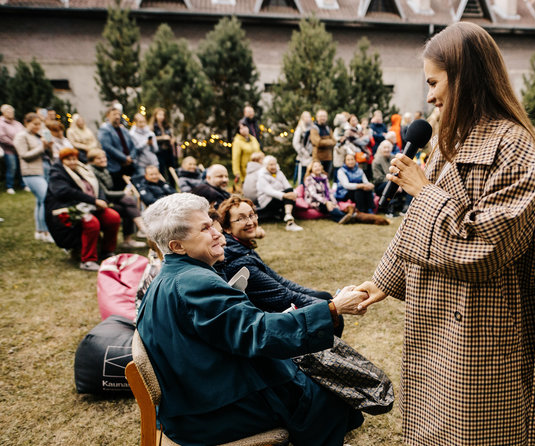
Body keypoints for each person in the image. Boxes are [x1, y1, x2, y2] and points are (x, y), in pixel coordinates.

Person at [355, 23, 535, 445]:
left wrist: (424, 190)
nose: (429, 96)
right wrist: (384, 280)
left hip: (483, 319)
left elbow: (487, 247)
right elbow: (417, 224)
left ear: (466, 76)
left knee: (477, 430)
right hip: (434, 314)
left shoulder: (515, 144)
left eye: (433, 82)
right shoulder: (449, 139)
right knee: (434, 425)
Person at [136, 193, 365, 445]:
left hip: (194, 399)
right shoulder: (195, 282)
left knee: (314, 381)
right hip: (209, 414)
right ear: (177, 246)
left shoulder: (171, 277)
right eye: (204, 228)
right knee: (328, 394)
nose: (216, 232)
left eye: (212, 224)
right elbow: (258, 333)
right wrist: (332, 309)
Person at [215, 195, 345, 331]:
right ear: (228, 228)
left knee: (324, 296)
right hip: (268, 317)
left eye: (252, 215)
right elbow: (282, 295)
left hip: (274, 305)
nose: (250, 222)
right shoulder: (239, 262)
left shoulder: (242, 247)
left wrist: (321, 297)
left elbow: (282, 282)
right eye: (241, 218)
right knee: (331, 314)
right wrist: (329, 307)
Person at [45, 147, 121, 271]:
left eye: (74, 159)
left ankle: (107, 252)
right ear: (62, 160)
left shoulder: (82, 169)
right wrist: (93, 201)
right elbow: (64, 192)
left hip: (90, 206)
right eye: (68, 160)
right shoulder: (57, 173)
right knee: (91, 223)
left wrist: (101, 200)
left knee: (113, 217)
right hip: (67, 209)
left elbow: (97, 187)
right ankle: (88, 260)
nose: (72, 162)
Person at [87, 148, 147, 249]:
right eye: (99, 158)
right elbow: (105, 193)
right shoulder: (92, 172)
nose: (103, 160)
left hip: (109, 200)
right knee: (127, 204)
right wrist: (123, 193)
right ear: (92, 161)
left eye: (104, 157)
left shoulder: (103, 169)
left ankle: (137, 232)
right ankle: (141, 229)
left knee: (128, 201)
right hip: (100, 203)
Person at [14, 113, 52, 243]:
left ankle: (40, 231)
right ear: (26, 123)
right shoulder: (21, 136)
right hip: (32, 173)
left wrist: (48, 146)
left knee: (40, 202)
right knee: (46, 199)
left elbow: (48, 154)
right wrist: (42, 147)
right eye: (34, 124)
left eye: (39, 124)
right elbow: (24, 155)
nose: (37, 126)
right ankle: (47, 231)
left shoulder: (39, 135)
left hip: (46, 170)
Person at [256, 155, 303, 231]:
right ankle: (289, 219)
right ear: (266, 166)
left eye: (274, 164)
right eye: (271, 165)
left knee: (290, 191)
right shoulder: (262, 175)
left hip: (279, 197)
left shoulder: (279, 172)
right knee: (289, 196)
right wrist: (285, 195)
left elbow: (287, 185)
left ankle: (288, 217)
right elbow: (269, 191)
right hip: (267, 200)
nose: (273, 166)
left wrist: (294, 193)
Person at [98, 107, 137, 190]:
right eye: (114, 114)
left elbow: (132, 145)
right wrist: (124, 158)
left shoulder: (123, 130)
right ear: (108, 116)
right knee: (123, 190)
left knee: (134, 188)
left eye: (119, 114)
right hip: (116, 167)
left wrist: (131, 157)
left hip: (129, 165)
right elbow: (108, 147)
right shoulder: (104, 129)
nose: (117, 116)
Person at [0, 104, 28, 194]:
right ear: (3, 112)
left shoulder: (17, 123)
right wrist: (15, 144)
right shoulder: (1, 123)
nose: (11, 113)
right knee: (12, 168)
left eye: (12, 111)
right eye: (8, 111)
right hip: (9, 150)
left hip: (20, 150)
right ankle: (9, 186)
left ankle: (24, 185)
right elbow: (2, 137)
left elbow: (25, 133)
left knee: (22, 167)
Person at [149, 107, 176, 182]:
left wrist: (172, 139)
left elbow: (172, 136)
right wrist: (162, 137)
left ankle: (173, 186)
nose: (162, 117)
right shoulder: (152, 127)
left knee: (171, 169)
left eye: (163, 115)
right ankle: (164, 185)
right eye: (160, 114)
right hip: (159, 151)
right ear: (155, 115)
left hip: (169, 150)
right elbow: (152, 139)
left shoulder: (166, 126)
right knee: (162, 170)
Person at [231, 121, 261, 188]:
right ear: (239, 131)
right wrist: (237, 172)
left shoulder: (253, 139)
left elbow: (259, 152)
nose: (244, 129)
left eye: (245, 126)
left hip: (257, 169)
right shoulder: (237, 142)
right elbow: (235, 158)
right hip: (245, 171)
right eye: (241, 128)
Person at [310, 109, 336, 175]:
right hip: (318, 158)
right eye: (321, 116)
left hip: (328, 157)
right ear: (317, 117)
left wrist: (323, 140)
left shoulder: (328, 128)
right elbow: (318, 142)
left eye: (324, 116)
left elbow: (334, 141)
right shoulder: (314, 128)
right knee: (317, 175)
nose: (323, 118)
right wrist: (329, 141)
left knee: (326, 176)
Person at [292, 111, 314, 184]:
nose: (308, 118)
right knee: (302, 174)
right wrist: (303, 152)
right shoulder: (300, 128)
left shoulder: (313, 127)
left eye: (309, 116)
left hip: (312, 154)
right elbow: (295, 142)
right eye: (306, 117)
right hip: (303, 155)